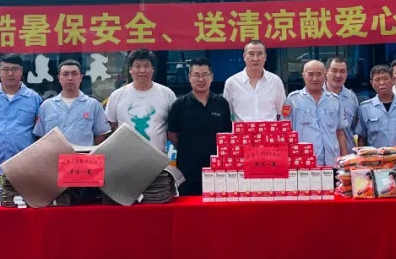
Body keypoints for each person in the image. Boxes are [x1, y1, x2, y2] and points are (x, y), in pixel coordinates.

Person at [167, 57, 233, 195]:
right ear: (189, 77)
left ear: (211, 77)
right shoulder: (179, 105)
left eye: (205, 75)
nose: (201, 79)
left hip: (217, 170)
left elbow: (227, 134)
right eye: (196, 75)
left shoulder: (222, 103)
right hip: (188, 170)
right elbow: (172, 134)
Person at [0, 54, 43, 177]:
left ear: (21, 71)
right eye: (6, 69)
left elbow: (40, 135)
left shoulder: (34, 99)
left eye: (14, 69)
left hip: (24, 169)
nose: (10, 74)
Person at [105, 49, 176, 152]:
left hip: (157, 157)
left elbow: (174, 127)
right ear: (130, 69)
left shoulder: (167, 94)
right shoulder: (117, 95)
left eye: (146, 66)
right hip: (125, 156)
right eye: (137, 66)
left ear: (152, 69)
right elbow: (112, 126)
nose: (142, 70)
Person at [283, 60, 349, 166]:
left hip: (331, 161)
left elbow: (340, 132)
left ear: (325, 75)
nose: (315, 78)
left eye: (319, 74)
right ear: (303, 75)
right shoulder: (292, 100)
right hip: (304, 162)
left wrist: (345, 160)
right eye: (310, 74)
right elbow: (285, 133)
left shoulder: (334, 100)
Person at [34, 59, 111, 147]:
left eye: (74, 74)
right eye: (65, 74)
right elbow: (41, 137)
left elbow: (100, 136)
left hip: (83, 155)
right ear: (59, 78)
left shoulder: (93, 105)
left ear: (80, 77)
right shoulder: (47, 106)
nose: (70, 78)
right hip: (54, 155)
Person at [222, 40, 285, 121]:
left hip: (269, 129)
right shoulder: (232, 83)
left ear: (265, 57)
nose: (255, 59)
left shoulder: (275, 81)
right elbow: (227, 113)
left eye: (259, 54)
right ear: (244, 56)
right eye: (251, 54)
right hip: (242, 129)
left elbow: (282, 112)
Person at [325, 56, 360, 135]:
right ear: (326, 72)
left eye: (342, 71)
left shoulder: (352, 97)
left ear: (347, 74)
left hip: (347, 142)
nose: (338, 75)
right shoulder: (317, 95)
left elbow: (355, 127)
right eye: (334, 71)